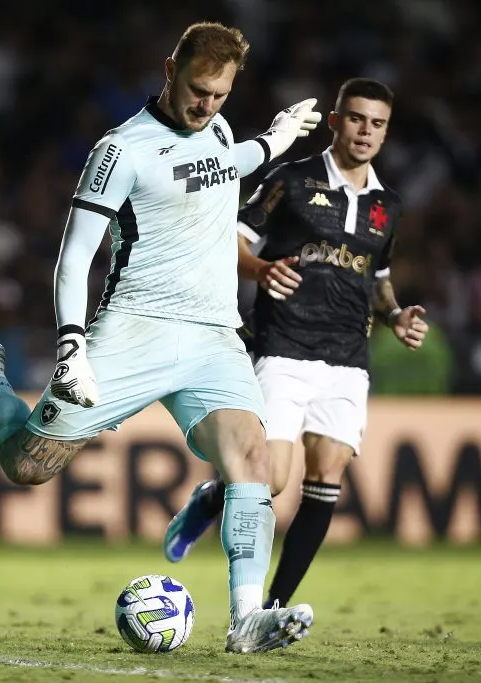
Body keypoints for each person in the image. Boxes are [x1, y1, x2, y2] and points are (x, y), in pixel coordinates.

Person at [0, 22, 322, 653]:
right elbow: (75, 258)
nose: (206, 105)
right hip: (136, 326)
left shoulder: (215, 128)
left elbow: (226, 160)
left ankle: (245, 621)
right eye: (196, 90)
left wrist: (272, 139)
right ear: (169, 69)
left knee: (256, 463)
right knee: (27, 466)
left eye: (219, 94)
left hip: (213, 335)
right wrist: (72, 343)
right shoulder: (121, 149)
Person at [163, 78, 430, 609]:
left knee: (327, 476)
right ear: (335, 121)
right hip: (282, 348)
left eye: (377, 123)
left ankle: (273, 607)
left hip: (349, 358)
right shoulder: (294, 179)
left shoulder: (388, 206)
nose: (365, 131)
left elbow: (377, 277)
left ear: (386, 132)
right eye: (356, 118)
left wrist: (397, 315)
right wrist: (260, 268)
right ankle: (211, 498)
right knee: (273, 482)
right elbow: (234, 240)